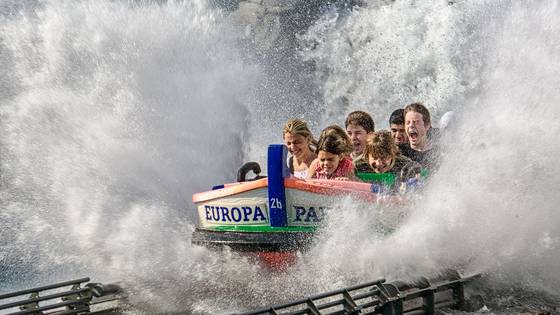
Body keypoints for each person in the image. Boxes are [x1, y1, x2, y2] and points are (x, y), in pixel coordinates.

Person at [400, 102, 439, 169]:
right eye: (408, 122)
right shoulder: (400, 153)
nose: (411, 125)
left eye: (416, 122)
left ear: (427, 125)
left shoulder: (438, 153)